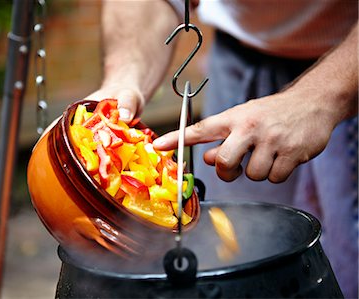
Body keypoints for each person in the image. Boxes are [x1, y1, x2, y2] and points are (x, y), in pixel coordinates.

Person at [85, 1, 358, 297]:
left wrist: (321, 98)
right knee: (235, 249)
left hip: (348, 66)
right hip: (239, 60)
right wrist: (126, 79)